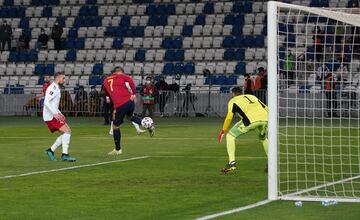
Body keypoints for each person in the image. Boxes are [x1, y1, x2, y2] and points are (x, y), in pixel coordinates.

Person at [103, 67, 155, 155]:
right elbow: (130, 81)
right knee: (129, 117)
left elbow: (106, 90)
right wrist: (134, 94)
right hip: (129, 101)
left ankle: (118, 149)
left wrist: (108, 97)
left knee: (115, 126)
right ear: (120, 72)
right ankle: (148, 125)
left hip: (120, 104)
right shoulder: (121, 76)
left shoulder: (106, 80)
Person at [217, 87, 268, 173]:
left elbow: (229, 117)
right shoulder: (251, 96)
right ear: (242, 92)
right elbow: (265, 107)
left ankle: (232, 163)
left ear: (233, 94)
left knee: (230, 136)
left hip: (250, 120)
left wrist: (223, 131)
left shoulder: (232, 101)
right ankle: (271, 162)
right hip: (266, 119)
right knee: (263, 138)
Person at [43, 72, 76, 162]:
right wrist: (55, 114)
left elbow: (53, 104)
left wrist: (59, 113)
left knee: (67, 132)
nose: (64, 80)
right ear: (58, 78)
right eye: (63, 78)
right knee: (67, 131)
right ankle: (64, 155)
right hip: (50, 116)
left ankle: (51, 151)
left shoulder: (56, 87)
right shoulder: (53, 87)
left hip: (53, 114)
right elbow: (46, 102)